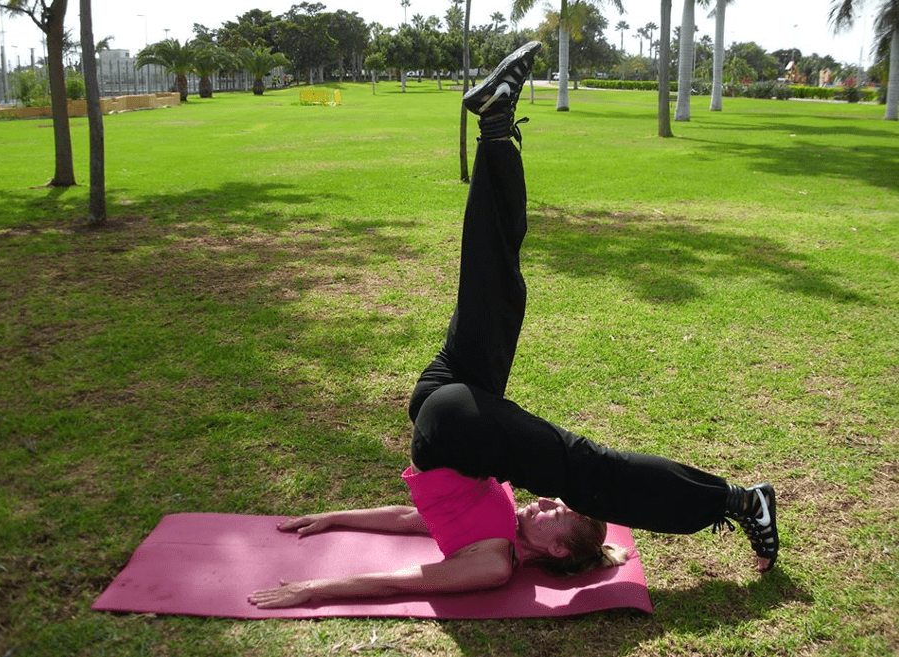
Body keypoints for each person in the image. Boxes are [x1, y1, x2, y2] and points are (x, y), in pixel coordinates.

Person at [248, 42, 779, 610]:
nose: (548, 502)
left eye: (557, 515)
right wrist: (334, 518)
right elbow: (413, 516)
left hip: (451, 426)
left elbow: (410, 581)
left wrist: (320, 589)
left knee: (587, 467)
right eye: (559, 505)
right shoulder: (505, 517)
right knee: (495, 282)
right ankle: (496, 124)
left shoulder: (494, 562)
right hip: (448, 406)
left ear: (554, 550)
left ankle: (740, 501)